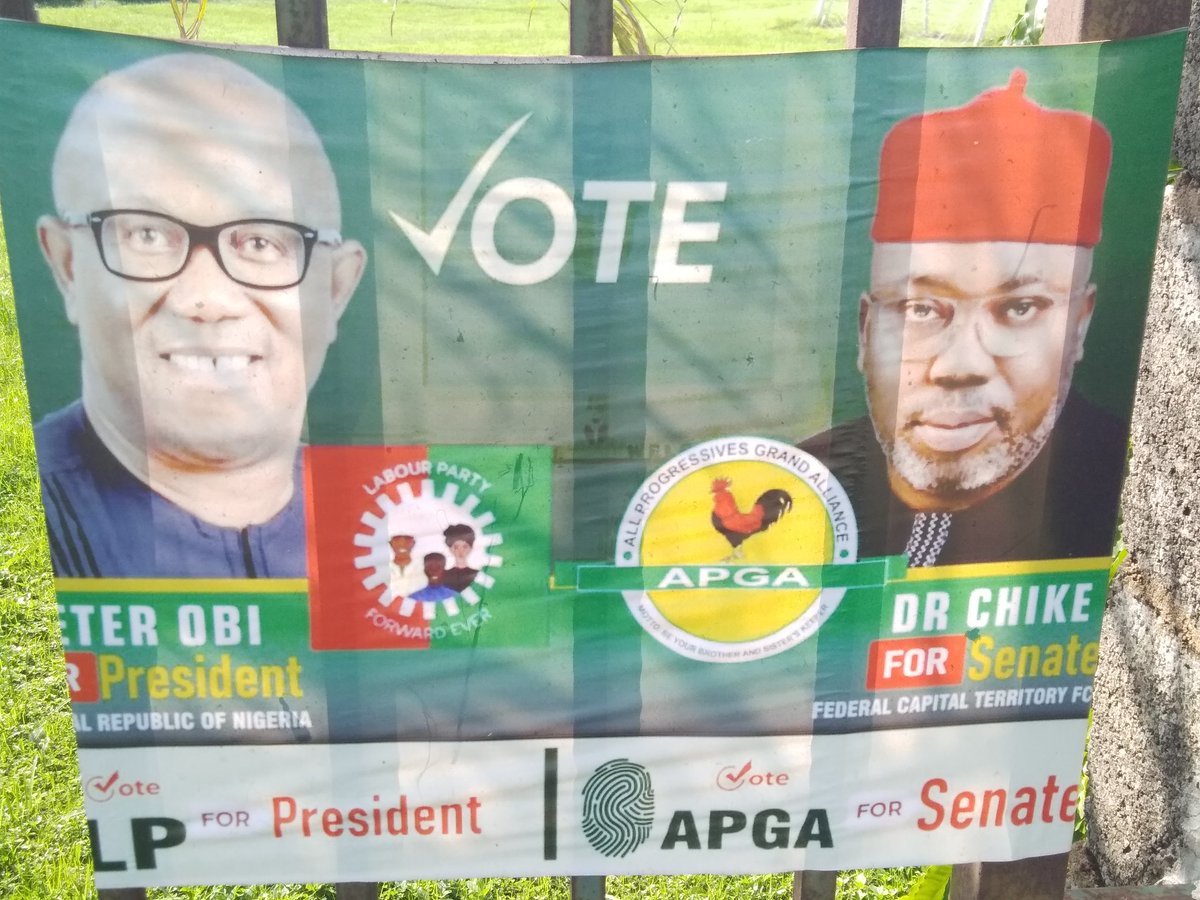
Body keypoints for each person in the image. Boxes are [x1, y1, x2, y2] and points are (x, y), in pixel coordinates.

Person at [33, 54, 367, 578]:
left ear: (337, 289)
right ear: (68, 268)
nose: (207, 300)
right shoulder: (23, 522)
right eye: (146, 235)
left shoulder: (399, 525)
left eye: (263, 241)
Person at [802, 71, 1126, 566]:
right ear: (865, 331)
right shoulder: (797, 481)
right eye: (920, 310)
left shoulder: (1124, 488)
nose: (959, 365)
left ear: (1079, 325)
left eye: (1020, 308)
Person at [441, 523, 478, 592]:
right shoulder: (444, 576)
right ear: (450, 548)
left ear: (471, 547)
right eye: (456, 547)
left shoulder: (477, 575)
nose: (461, 551)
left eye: (465, 547)